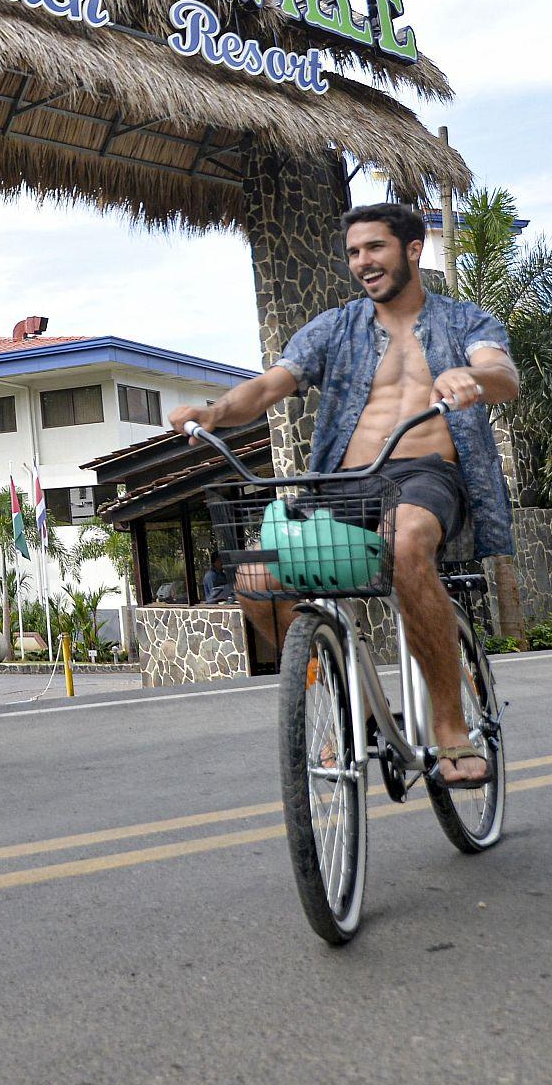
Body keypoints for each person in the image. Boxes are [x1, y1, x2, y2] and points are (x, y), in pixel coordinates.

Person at [168, 203, 519, 787]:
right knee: (256, 582)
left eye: (375, 248)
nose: (363, 262)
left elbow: (502, 374)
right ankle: (342, 696)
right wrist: (216, 411)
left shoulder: (464, 321)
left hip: (426, 475)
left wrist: (472, 378)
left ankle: (452, 731)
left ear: (411, 249)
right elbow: (268, 387)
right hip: (342, 483)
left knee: (407, 541)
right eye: (354, 252)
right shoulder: (335, 327)